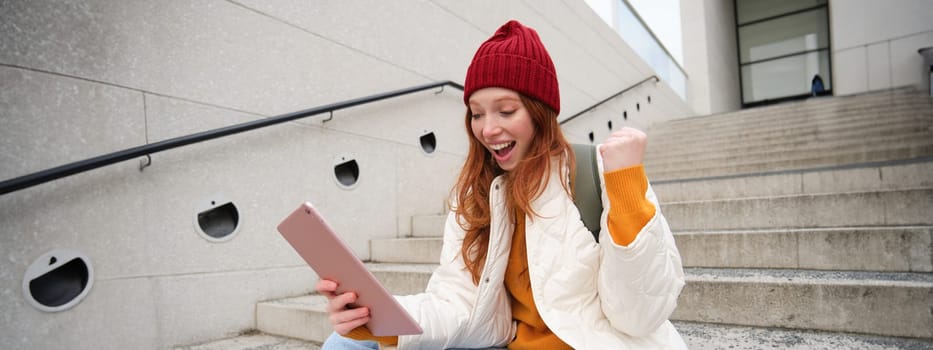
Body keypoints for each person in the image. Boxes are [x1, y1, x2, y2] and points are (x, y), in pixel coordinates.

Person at [317, 20, 686, 350]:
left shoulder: (602, 174)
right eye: (477, 114)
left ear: (541, 112)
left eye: (506, 111)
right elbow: (458, 302)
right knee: (345, 342)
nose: (488, 129)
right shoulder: (477, 194)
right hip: (505, 342)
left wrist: (627, 186)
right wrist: (382, 320)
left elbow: (638, 316)